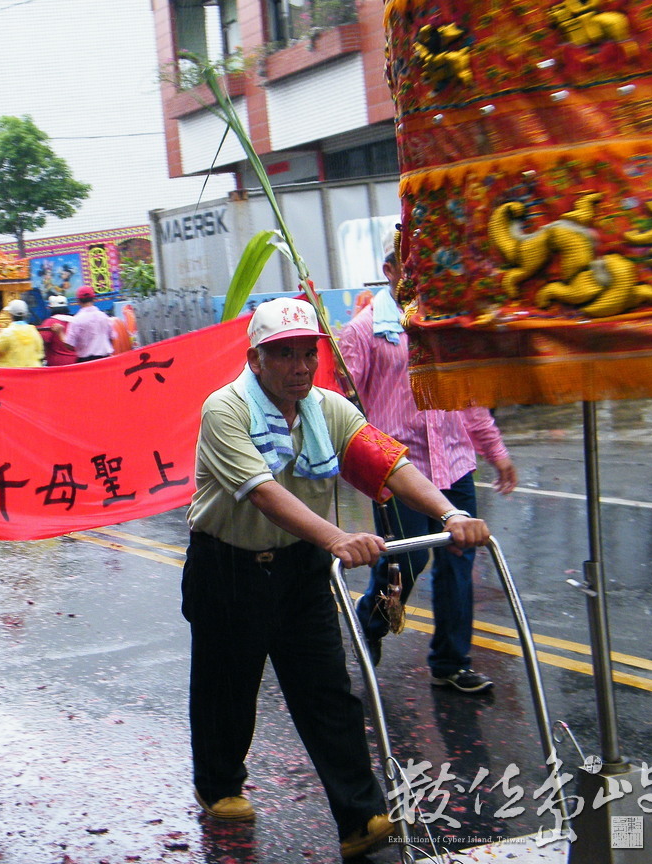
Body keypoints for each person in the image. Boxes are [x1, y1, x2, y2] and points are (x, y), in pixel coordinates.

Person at [183, 297, 491, 858]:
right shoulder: (224, 410)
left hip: (302, 571)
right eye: (285, 356)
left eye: (307, 355)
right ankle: (220, 784)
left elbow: (390, 463)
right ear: (255, 359)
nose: (300, 367)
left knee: (328, 691)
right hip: (227, 567)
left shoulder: (329, 409)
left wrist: (451, 514)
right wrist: (337, 537)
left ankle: (360, 816)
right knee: (227, 688)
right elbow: (263, 492)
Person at [337, 229, 516, 693]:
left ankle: (451, 663)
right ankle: (369, 627)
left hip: (455, 466)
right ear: (389, 272)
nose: (418, 277)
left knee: (460, 563)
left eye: (425, 267)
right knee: (404, 568)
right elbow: (343, 407)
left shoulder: (447, 327)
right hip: (401, 474)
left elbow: (469, 399)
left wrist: (495, 452)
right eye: (408, 268)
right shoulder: (363, 331)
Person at [0, 299, 43, 368]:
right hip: (32, 372)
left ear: (10, 314)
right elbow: (40, 352)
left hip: (13, 373)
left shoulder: (7, 333)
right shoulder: (34, 331)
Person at [64, 286, 114, 362]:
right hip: (106, 360)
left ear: (78, 301)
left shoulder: (76, 320)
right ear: (94, 299)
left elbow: (70, 344)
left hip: (86, 362)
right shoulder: (104, 317)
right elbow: (112, 337)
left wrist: (59, 333)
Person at [39, 295, 77, 367]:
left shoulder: (50, 322)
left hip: (57, 366)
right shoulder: (75, 321)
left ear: (51, 309)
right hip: (77, 362)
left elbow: (43, 341)